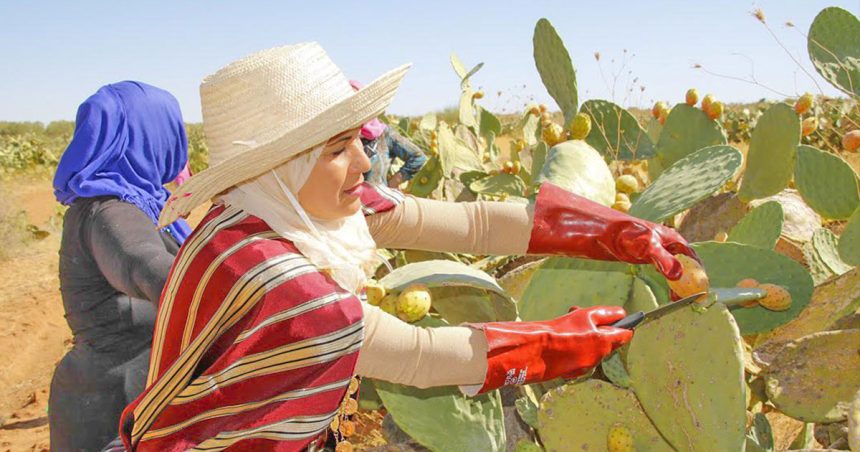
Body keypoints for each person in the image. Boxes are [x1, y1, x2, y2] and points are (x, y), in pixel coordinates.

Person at [117, 43, 698, 451]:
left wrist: (623, 232)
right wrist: (567, 341)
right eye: (339, 148)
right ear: (281, 167)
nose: (366, 163)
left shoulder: (268, 211)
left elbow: (471, 223)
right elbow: (420, 357)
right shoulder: (277, 279)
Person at [49, 81, 193, 451]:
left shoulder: (127, 203)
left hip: (110, 392)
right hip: (115, 410)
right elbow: (150, 268)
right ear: (153, 135)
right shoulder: (112, 211)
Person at [349, 80, 427, 188]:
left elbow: (418, 157)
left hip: (377, 202)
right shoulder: (337, 138)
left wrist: (392, 183)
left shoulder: (385, 135)